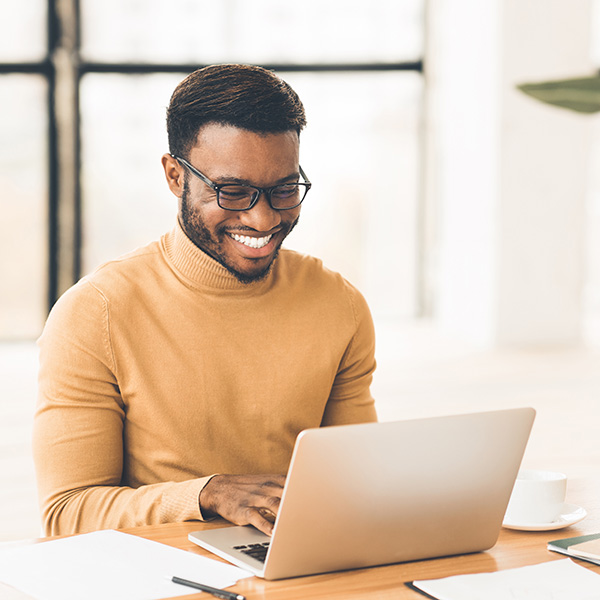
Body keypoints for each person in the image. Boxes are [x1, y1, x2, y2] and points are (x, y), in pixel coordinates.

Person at [33, 64, 377, 537]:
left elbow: (358, 479)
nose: (261, 219)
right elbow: (68, 513)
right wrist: (207, 493)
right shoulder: (96, 313)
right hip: (157, 570)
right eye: (233, 192)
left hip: (296, 561)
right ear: (175, 176)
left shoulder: (340, 305)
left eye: (283, 190)